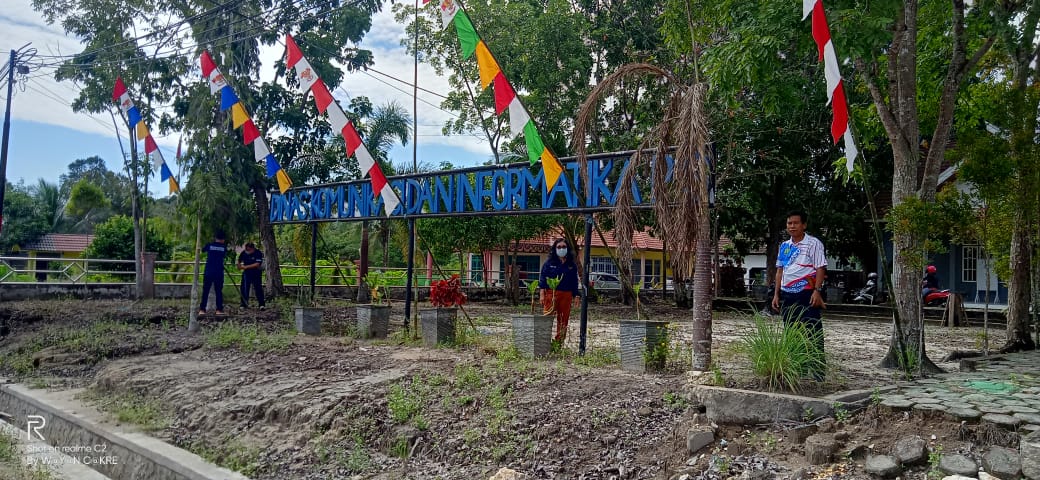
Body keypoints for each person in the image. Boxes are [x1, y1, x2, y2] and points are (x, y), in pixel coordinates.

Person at [771, 211, 828, 378]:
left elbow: (820, 268)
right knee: (792, 332)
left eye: (796, 223)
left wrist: (817, 291)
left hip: (807, 293)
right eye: (789, 223)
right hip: (787, 295)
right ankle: (799, 370)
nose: (792, 226)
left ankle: (818, 374)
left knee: (813, 331)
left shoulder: (813, 244)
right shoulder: (785, 246)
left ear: (804, 225)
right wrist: (776, 294)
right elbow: (780, 271)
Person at [539, 238, 581, 345]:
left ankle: (558, 343)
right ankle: (543, 343)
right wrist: (542, 294)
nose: (561, 249)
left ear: (567, 248)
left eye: (564, 247)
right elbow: (543, 278)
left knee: (563, 320)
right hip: (551, 293)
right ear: (555, 249)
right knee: (547, 318)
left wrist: (576, 295)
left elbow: (574, 281)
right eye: (559, 247)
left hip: (566, 295)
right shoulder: (549, 263)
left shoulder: (572, 265)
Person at [199, 231, 228, 316]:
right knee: (218, 291)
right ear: (223, 239)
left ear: (215, 238)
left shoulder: (209, 245)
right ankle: (219, 310)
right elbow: (224, 255)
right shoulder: (223, 247)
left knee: (205, 291)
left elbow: (203, 250)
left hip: (209, 271)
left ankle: (202, 310)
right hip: (218, 272)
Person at [237, 242, 265, 310]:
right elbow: (239, 260)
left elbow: (257, 264)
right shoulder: (244, 252)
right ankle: (243, 304)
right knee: (244, 288)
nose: (247, 251)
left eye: (249, 250)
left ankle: (261, 304)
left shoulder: (258, 253)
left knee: (258, 288)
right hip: (246, 273)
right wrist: (238, 265)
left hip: (256, 273)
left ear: (253, 249)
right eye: (246, 249)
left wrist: (246, 267)